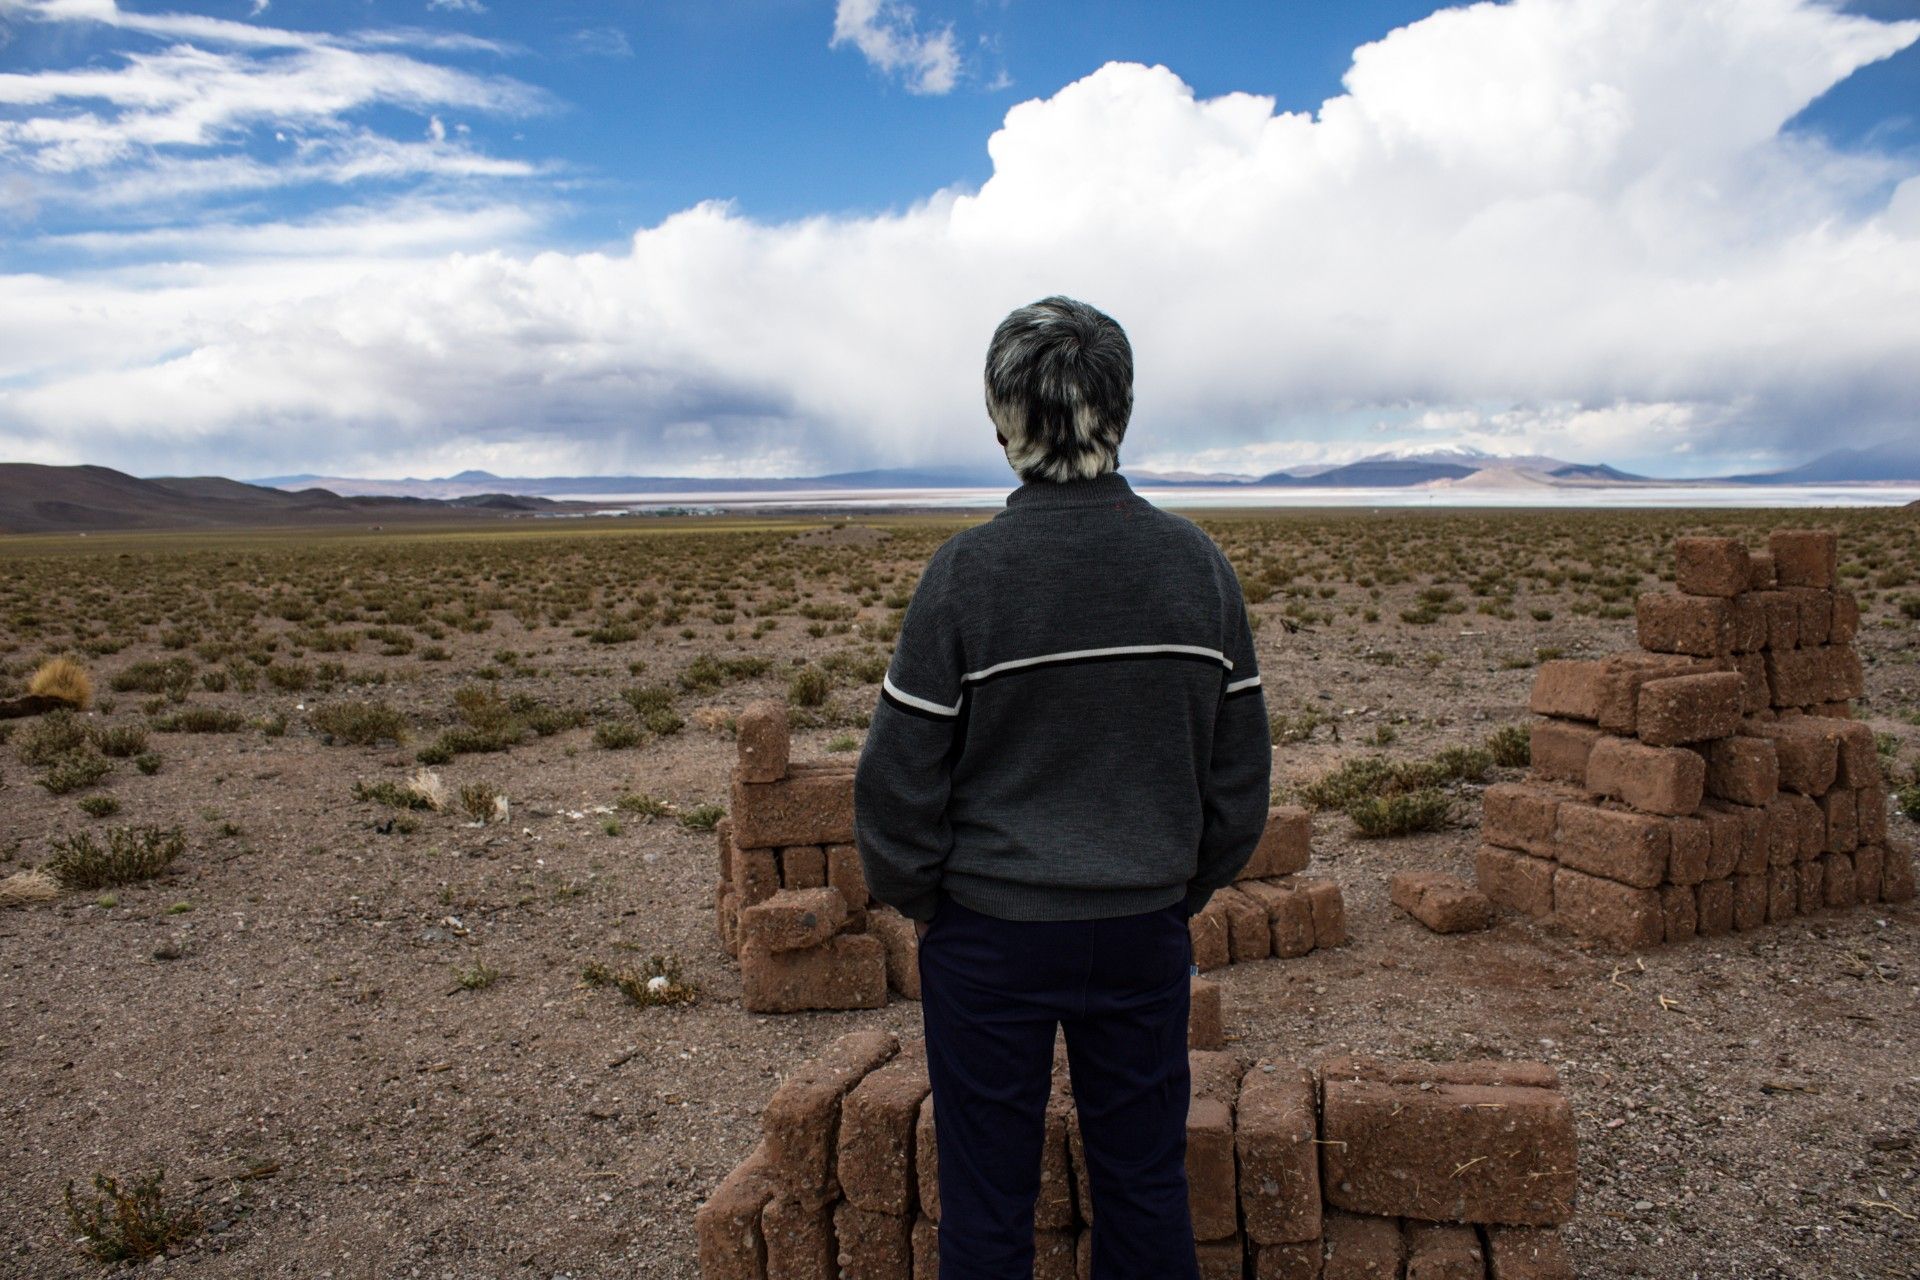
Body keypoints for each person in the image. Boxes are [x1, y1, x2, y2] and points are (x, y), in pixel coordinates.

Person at [854, 296, 1273, 1280]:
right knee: (1144, 1188)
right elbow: (1239, 777)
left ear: (1002, 422)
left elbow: (895, 786)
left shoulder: (964, 576)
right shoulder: (1197, 568)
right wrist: (1172, 884)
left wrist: (935, 905)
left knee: (989, 1205)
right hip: (1142, 928)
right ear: (1121, 411)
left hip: (989, 938)